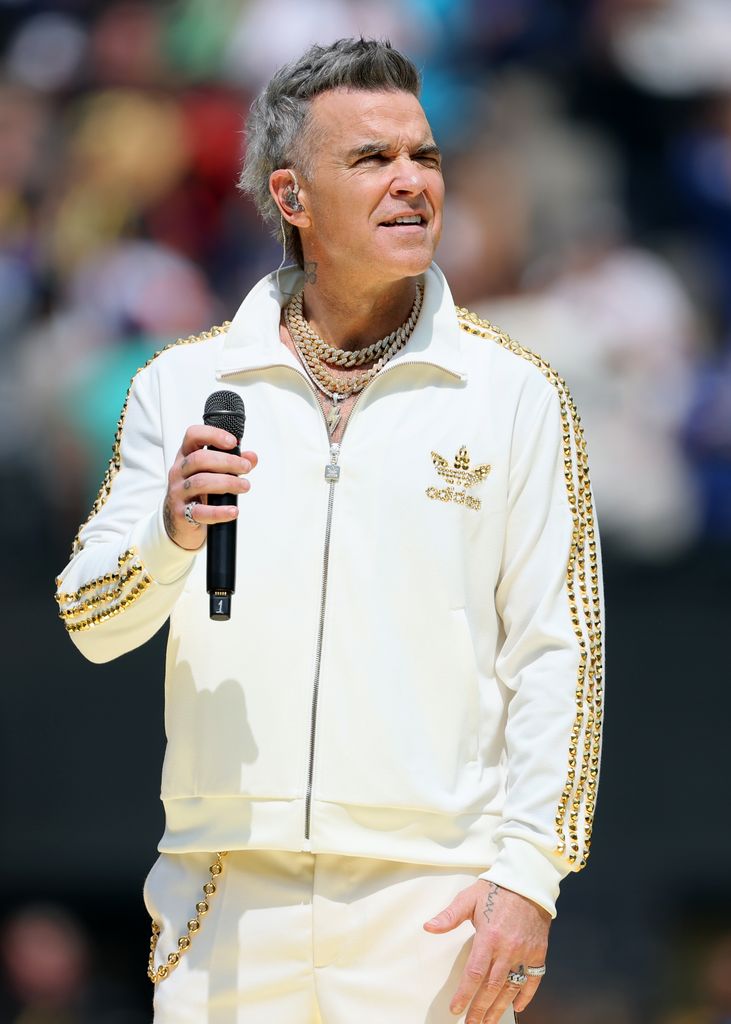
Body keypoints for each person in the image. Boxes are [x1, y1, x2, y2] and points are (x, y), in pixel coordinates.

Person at [55, 38, 604, 1024]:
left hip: (431, 904)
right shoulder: (181, 384)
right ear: (291, 198)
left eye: (423, 156)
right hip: (222, 896)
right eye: (371, 159)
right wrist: (170, 535)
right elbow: (93, 619)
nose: (411, 182)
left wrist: (528, 878)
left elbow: (559, 658)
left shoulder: (516, 393)